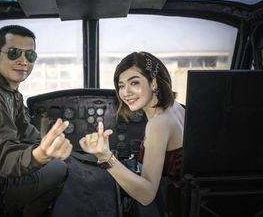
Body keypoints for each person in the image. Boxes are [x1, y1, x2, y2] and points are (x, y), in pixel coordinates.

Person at [79, 51, 185, 217]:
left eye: (134, 82)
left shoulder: (158, 124)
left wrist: (105, 156)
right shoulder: (176, 107)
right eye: (121, 86)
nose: (125, 92)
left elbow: (146, 195)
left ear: (154, 83)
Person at [0, 25, 73, 217]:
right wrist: (39, 156)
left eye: (30, 55)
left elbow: (24, 130)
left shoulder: (8, 91)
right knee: (60, 169)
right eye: (14, 53)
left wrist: (47, 145)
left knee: (63, 159)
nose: (23, 61)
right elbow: (1, 158)